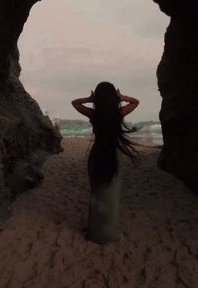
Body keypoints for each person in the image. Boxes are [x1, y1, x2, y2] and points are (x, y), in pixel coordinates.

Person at [71, 81, 139, 244]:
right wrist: (122, 97)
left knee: (97, 193)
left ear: (99, 98)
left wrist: (90, 99)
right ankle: (110, 232)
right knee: (112, 194)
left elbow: (75, 103)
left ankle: (95, 233)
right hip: (114, 153)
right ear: (113, 97)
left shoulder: (94, 114)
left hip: (98, 152)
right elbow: (135, 102)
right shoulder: (119, 112)